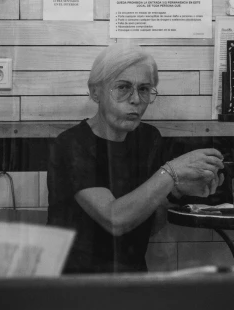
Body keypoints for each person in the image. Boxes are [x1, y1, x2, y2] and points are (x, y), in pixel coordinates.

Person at [48, 43, 225, 273]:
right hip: (77, 284)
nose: (135, 99)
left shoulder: (148, 138)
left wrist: (178, 192)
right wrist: (171, 173)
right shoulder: (71, 144)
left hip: (132, 277)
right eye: (122, 87)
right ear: (95, 92)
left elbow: (148, 226)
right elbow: (115, 219)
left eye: (144, 89)